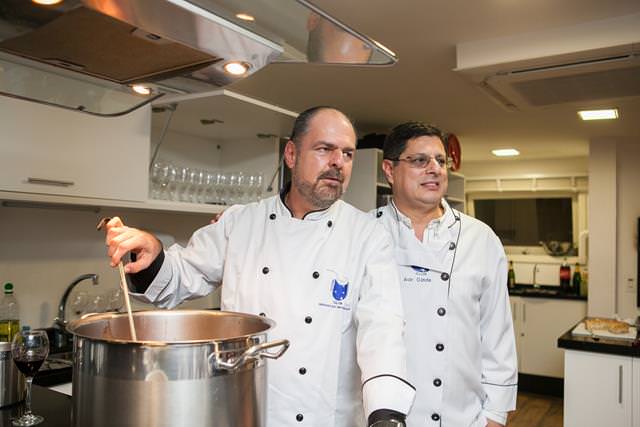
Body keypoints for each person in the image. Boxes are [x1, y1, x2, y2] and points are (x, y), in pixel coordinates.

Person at [103, 107, 415, 426]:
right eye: (325, 149)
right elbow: (179, 277)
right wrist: (152, 252)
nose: (338, 162)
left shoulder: (367, 235)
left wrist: (386, 414)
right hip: (245, 411)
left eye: (348, 154)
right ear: (291, 154)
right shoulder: (241, 222)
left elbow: (383, 329)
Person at [373, 122, 517, 426]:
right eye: (420, 160)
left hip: (461, 417)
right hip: (377, 416)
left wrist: (495, 416)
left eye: (440, 160)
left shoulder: (481, 238)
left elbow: (497, 335)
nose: (435, 169)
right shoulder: (365, 232)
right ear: (389, 170)